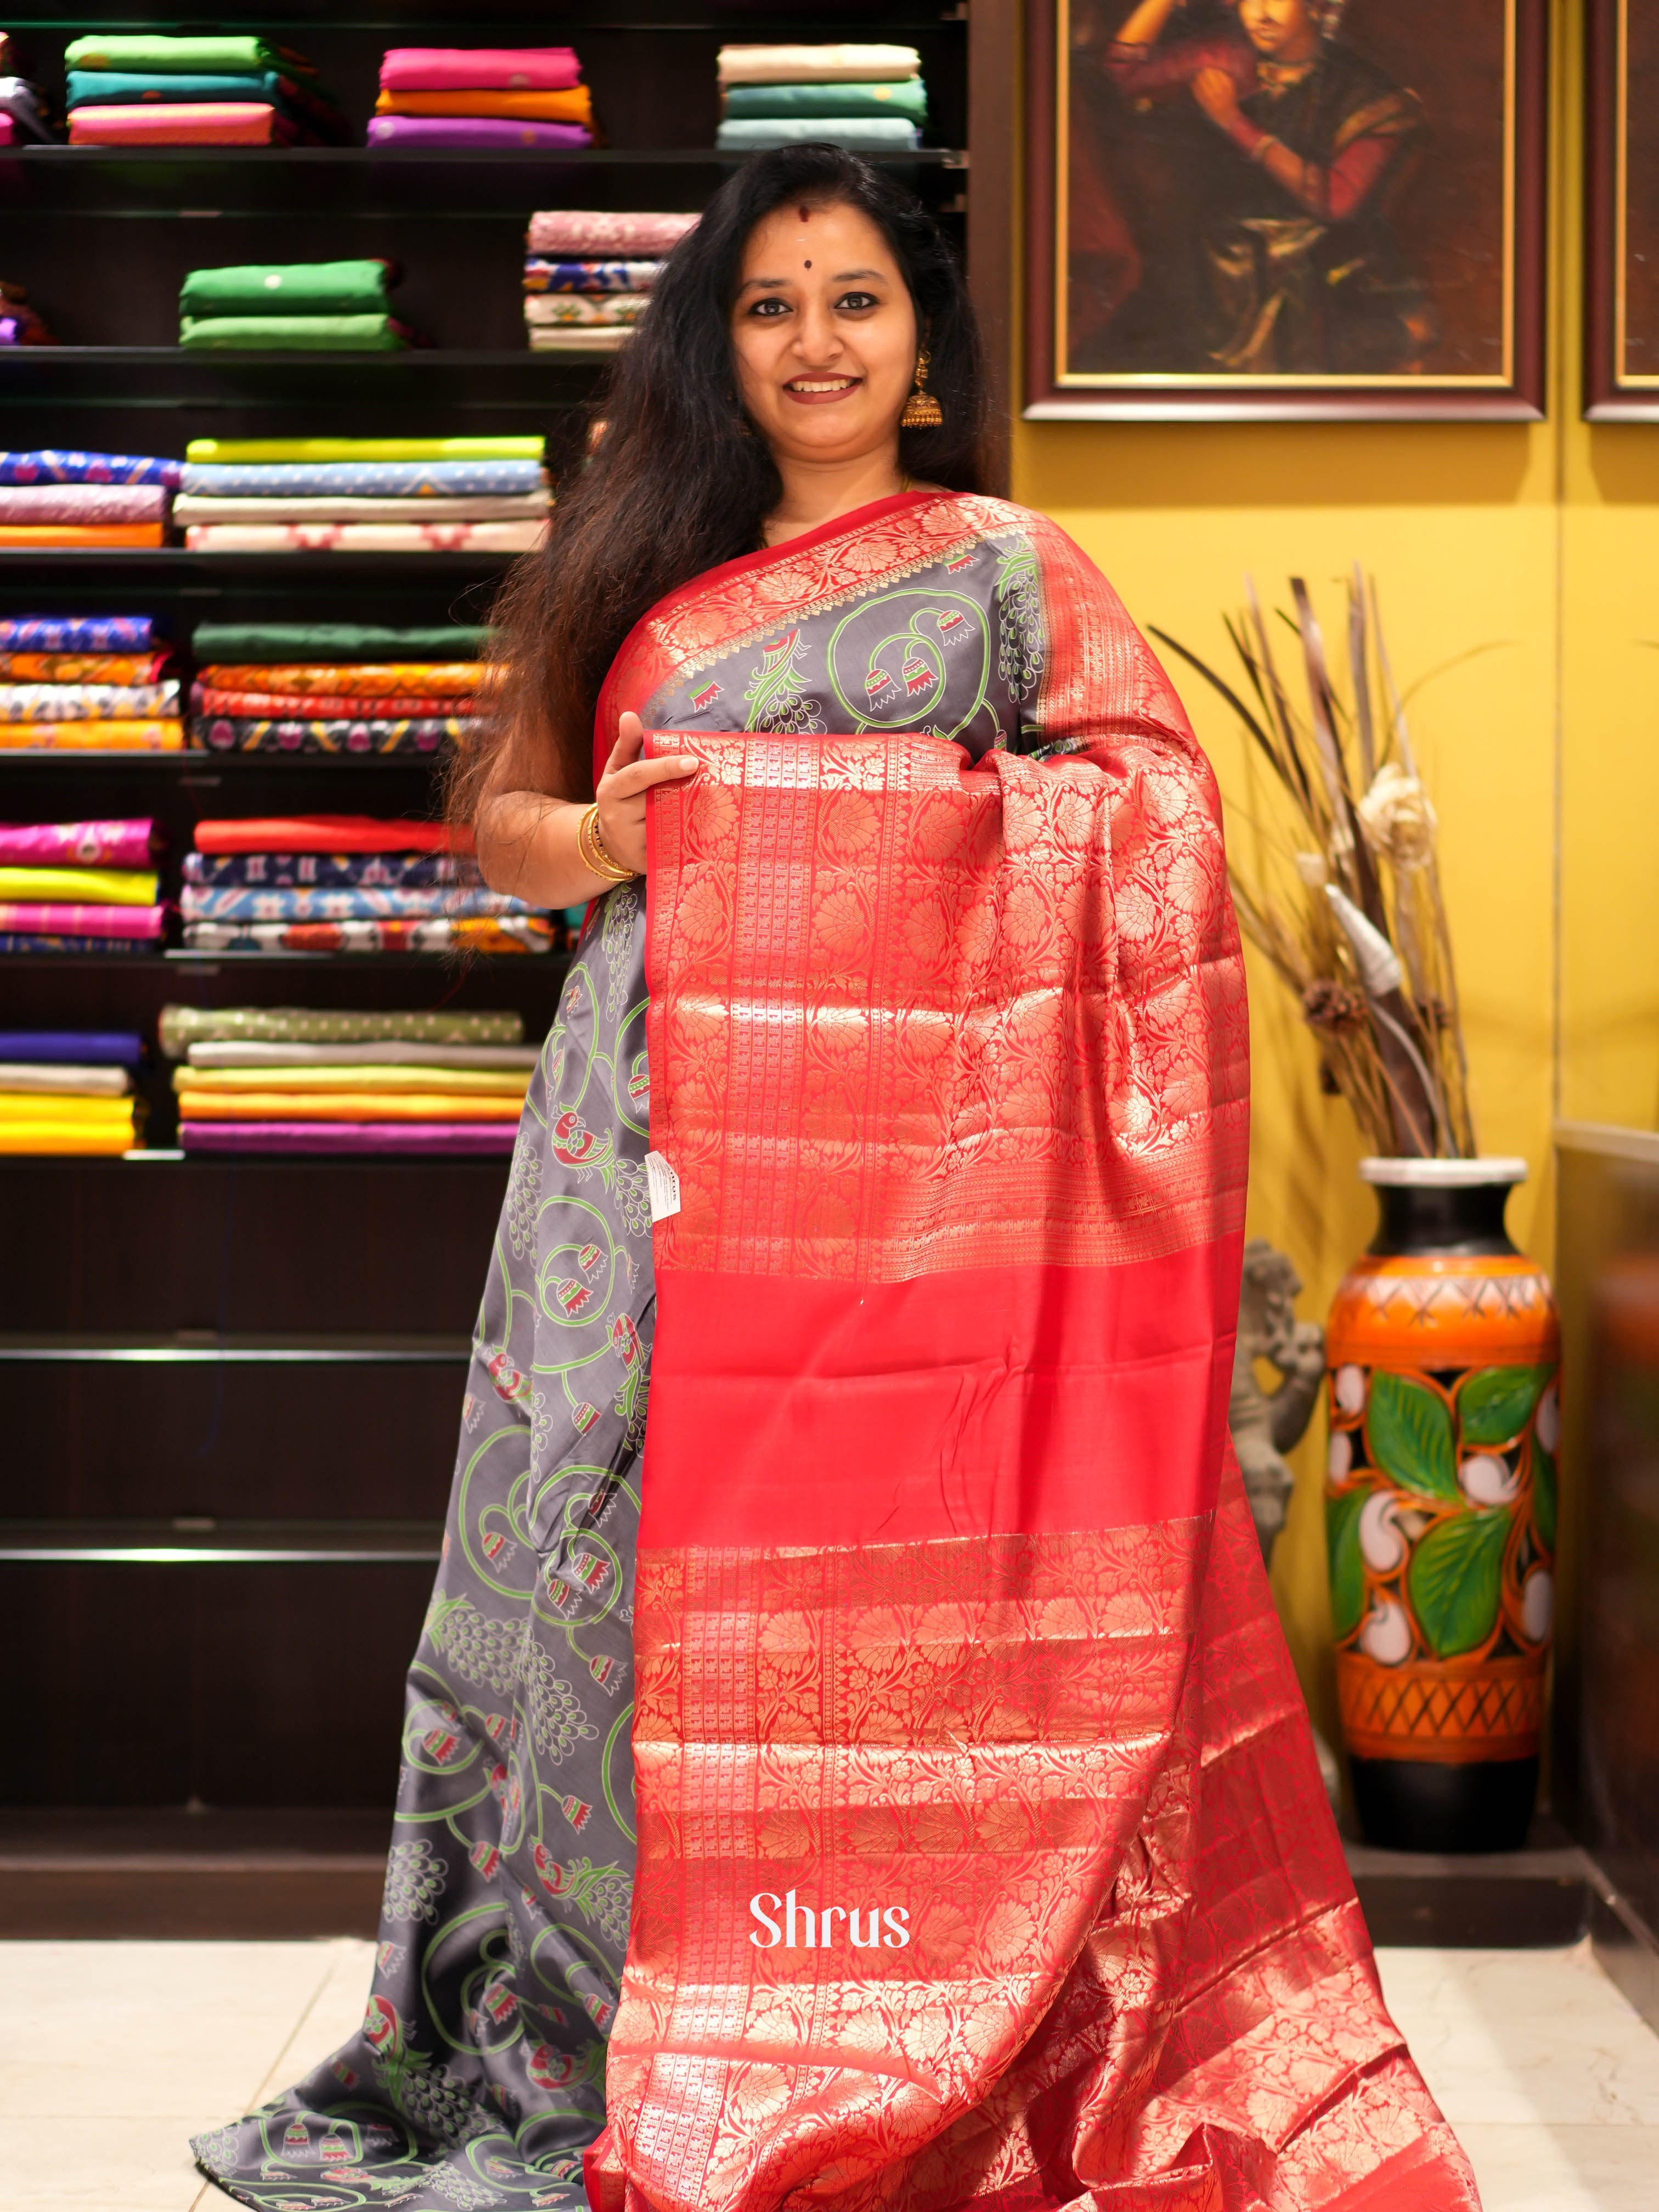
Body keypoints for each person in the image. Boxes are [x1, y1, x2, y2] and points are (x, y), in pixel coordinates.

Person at [193, 146, 1478, 2212]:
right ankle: (594, 2025)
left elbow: (1143, 815)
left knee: (903, 1589)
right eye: (769, 302)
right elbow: (507, 823)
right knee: (593, 1555)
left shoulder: (1003, 568)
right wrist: (616, 841)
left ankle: (881, 2000)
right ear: (718, 340)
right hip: (640, 1159)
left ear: (920, 339)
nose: (812, 340)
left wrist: (833, 821)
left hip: (921, 1218)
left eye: (854, 298)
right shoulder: (628, 560)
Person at [1086, 0, 1433, 373]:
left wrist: (1234, 123)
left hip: (1322, 269)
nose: (1261, 14)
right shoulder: (1227, 56)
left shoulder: (1366, 93)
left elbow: (1336, 201)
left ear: (1318, 7)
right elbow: (1120, 74)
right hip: (1219, 266)